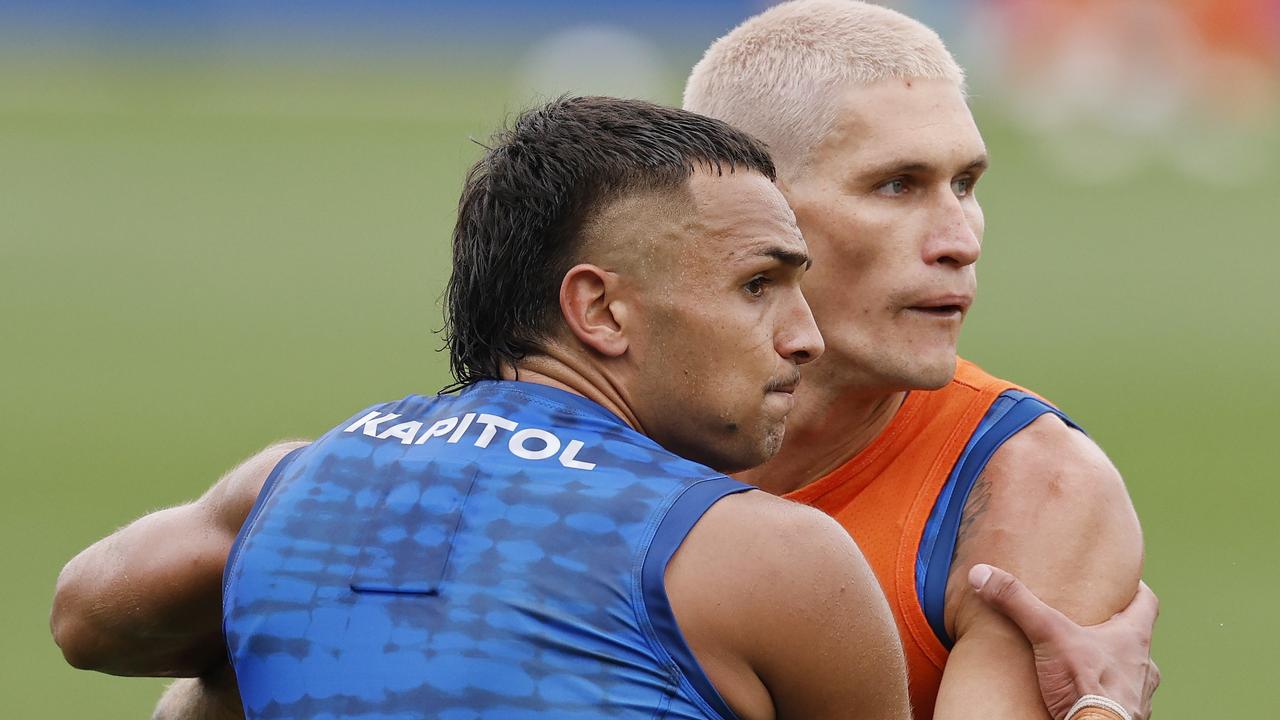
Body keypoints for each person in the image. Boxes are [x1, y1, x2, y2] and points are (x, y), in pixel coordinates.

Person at [52, 95, 912, 720]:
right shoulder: (771, 559)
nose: (806, 337)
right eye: (758, 285)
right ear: (601, 311)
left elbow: (87, 620)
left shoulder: (294, 484)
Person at [682, 2, 1158, 719]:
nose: (959, 240)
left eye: (965, 184)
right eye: (897, 185)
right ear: (750, 211)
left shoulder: (1033, 489)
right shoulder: (579, 428)